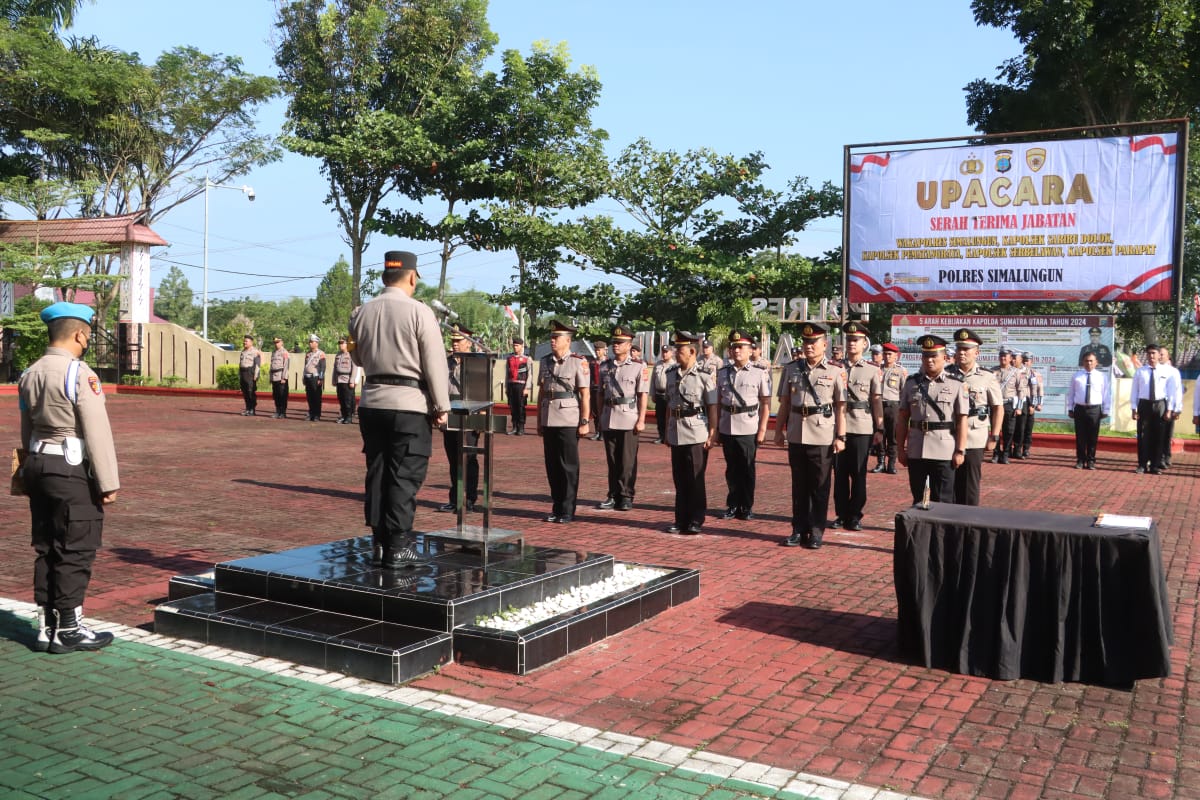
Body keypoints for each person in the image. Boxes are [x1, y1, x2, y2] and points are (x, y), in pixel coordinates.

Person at [19, 301, 118, 652]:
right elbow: (96, 431)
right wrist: (108, 482)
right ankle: (71, 627)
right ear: (80, 334)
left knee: (46, 546)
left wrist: (30, 470)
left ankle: (48, 627)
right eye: (87, 335)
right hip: (69, 467)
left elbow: (26, 429)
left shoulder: (29, 372)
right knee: (77, 546)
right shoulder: (79, 373)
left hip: (37, 465)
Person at [348, 250, 450, 568]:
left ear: (384, 276)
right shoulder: (419, 312)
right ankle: (400, 545)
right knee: (404, 475)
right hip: (409, 404)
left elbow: (359, 359)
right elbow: (434, 364)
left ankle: (379, 544)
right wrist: (441, 406)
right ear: (411, 276)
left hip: (373, 401)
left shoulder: (361, 313)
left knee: (377, 472)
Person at [774, 322, 847, 549]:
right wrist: (778, 431)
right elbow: (785, 403)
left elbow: (840, 407)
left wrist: (841, 436)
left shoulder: (836, 371)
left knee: (819, 486)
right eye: (806, 342)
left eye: (813, 343)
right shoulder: (792, 368)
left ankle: (816, 531)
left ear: (824, 345)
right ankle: (798, 529)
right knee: (799, 486)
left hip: (822, 435)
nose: (808, 346)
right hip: (797, 433)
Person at [897, 335, 969, 505]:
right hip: (917, 448)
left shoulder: (957, 384)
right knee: (918, 498)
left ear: (944, 357)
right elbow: (902, 418)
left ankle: (942, 533)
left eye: (934, 356)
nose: (929, 360)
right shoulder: (911, 383)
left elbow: (962, 420)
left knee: (943, 499)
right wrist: (900, 448)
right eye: (926, 356)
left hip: (944, 450)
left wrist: (960, 450)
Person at [714, 330, 772, 521]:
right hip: (727, 425)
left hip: (748, 426)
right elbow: (717, 402)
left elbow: (765, 403)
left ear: (750, 350)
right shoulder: (722, 372)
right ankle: (732, 505)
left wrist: (762, 430)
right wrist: (715, 430)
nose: (736, 350)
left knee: (747, 468)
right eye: (733, 347)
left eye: (740, 347)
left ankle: (746, 506)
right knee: (731, 469)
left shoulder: (759, 373)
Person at [831, 322, 883, 531]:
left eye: (856, 340)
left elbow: (876, 400)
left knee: (858, 474)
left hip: (861, 427)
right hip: (838, 427)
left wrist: (880, 428)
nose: (851, 343)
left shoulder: (872, 370)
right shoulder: (835, 367)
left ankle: (855, 515)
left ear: (864, 344)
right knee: (840, 474)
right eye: (849, 340)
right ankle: (841, 514)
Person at [664, 331, 718, 534]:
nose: (676, 352)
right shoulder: (671, 374)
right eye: (676, 349)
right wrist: (667, 431)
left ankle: (696, 519)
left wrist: (712, 433)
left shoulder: (704, 376)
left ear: (692, 351)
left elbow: (712, 406)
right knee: (679, 478)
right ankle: (680, 519)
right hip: (676, 430)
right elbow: (670, 404)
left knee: (695, 478)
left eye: (680, 349)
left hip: (696, 431)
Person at [538, 321, 591, 522]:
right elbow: (542, 391)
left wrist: (584, 421)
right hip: (549, 417)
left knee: (568, 466)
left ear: (567, 341)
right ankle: (557, 506)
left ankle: (568, 509)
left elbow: (585, 394)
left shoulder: (578, 361)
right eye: (551, 337)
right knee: (552, 465)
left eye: (556, 338)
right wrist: (539, 421)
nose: (552, 341)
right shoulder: (545, 362)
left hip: (569, 419)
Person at [596, 324, 649, 511]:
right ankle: (612, 494)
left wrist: (642, 419)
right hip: (609, 416)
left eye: (620, 342)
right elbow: (600, 394)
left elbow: (642, 395)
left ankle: (626, 495)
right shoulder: (604, 366)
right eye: (614, 342)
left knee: (627, 461)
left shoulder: (638, 366)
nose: (615, 345)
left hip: (629, 417)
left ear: (629, 345)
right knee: (612, 460)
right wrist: (600, 416)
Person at [950, 328, 1003, 505]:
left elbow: (998, 408)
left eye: (966, 349)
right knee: (949, 484)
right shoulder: (947, 373)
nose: (962, 352)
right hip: (949, 435)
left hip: (974, 436)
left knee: (969, 486)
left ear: (977, 353)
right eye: (959, 349)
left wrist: (994, 436)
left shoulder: (987, 377)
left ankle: (969, 524)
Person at [440, 323, 480, 513]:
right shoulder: (445, 362)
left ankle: (470, 498)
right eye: (453, 341)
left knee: (469, 458)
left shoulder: (477, 363)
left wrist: (480, 417)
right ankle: (455, 498)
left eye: (459, 341)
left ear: (469, 343)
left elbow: (482, 391)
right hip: (450, 411)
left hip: (471, 411)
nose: (455, 345)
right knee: (453, 458)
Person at [1130, 344, 1172, 474]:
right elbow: (1134, 391)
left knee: (1159, 436)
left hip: (1160, 405)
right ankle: (1142, 464)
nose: (1151, 356)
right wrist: (1133, 408)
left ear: (1159, 355)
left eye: (1154, 353)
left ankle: (1155, 465)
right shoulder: (1140, 371)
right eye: (1149, 353)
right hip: (1144, 405)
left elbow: (1170, 392)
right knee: (1143, 436)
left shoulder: (1166, 371)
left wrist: (1169, 409)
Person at [1067, 352, 1109, 470]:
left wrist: (1106, 409)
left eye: (1091, 361)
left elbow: (1106, 394)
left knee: (1092, 436)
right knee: (1080, 436)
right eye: (1086, 361)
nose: (1088, 363)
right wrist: (1070, 408)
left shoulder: (1102, 376)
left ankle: (1091, 460)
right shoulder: (1077, 376)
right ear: (1083, 362)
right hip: (1080, 408)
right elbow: (1071, 394)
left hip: (1095, 409)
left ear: (1096, 363)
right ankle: (1080, 460)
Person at [872, 342, 906, 474]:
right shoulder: (876, 370)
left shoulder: (899, 371)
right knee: (879, 435)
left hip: (893, 406)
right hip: (878, 406)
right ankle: (880, 463)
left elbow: (903, 392)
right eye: (885, 354)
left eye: (890, 354)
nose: (887, 357)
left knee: (893, 437)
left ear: (896, 356)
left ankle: (891, 464)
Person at [991, 348, 1024, 463]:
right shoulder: (992, 371)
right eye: (1001, 356)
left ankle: (1005, 454)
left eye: (1005, 356)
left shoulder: (1016, 372)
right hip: (995, 405)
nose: (1003, 358)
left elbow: (1021, 390)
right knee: (995, 430)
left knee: (1009, 431)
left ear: (1010, 358)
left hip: (1009, 404)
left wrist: (1019, 407)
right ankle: (996, 453)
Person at [1158, 347, 1182, 469]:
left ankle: (1166, 456)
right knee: (1158, 433)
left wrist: (1177, 409)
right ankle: (1159, 457)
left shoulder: (1173, 372)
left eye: (1163, 354)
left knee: (1167, 433)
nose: (1160, 356)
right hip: (1157, 404)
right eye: (1159, 354)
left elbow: (1177, 391)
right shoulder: (1154, 370)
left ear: (1168, 357)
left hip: (1169, 405)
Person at [504, 337, 532, 435]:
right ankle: (514, 427)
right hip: (511, 385)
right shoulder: (509, 358)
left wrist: (527, 388)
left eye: (517, 345)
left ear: (521, 346)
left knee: (520, 407)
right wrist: (506, 387)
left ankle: (521, 427)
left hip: (521, 385)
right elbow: (507, 374)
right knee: (512, 407)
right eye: (514, 345)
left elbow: (530, 374)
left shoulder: (527, 359)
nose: (515, 347)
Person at [1019, 350, 1042, 458]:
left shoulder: (1036, 374)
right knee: (1020, 427)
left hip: (1030, 402)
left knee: (1028, 427)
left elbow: (1039, 389)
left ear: (1031, 361)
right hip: (1020, 402)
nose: (1025, 363)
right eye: (1023, 360)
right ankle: (1017, 447)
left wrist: (1036, 404)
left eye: (1027, 361)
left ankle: (1026, 448)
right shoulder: (1018, 372)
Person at [331, 336, 359, 424]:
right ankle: (343, 416)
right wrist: (334, 379)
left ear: (347, 344)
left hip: (347, 380)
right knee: (341, 399)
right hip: (339, 380)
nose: (340, 345)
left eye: (342, 343)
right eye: (339, 343)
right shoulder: (338, 355)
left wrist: (352, 381)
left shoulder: (351, 354)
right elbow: (335, 368)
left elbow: (355, 368)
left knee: (348, 400)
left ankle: (349, 417)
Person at [651, 344, 675, 444]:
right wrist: (652, 393)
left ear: (672, 353)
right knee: (660, 417)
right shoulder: (658, 364)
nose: (664, 354)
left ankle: (669, 436)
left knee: (669, 417)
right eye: (663, 352)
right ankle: (661, 436)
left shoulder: (675, 365)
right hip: (659, 394)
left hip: (669, 395)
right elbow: (653, 380)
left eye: (666, 352)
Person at [302, 334, 326, 421]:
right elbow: (305, 366)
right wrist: (304, 377)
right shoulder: (308, 354)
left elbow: (323, 367)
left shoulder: (321, 354)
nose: (310, 344)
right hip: (308, 377)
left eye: (312, 342)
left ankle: (317, 415)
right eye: (310, 342)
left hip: (315, 378)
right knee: (309, 397)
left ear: (317, 343)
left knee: (316, 397)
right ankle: (311, 413)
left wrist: (321, 378)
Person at [588, 339, 608, 440]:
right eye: (596, 350)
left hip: (605, 390)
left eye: (599, 350)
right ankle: (597, 431)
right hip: (594, 389)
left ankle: (604, 432)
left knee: (604, 411)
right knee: (595, 411)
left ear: (605, 350)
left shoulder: (608, 363)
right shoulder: (592, 363)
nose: (597, 352)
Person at [237, 334, 261, 415]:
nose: (244, 342)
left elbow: (257, 365)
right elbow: (240, 364)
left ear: (251, 342)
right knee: (245, 392)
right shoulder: (243, 351)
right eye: (244, 341)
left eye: (246, 341)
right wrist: (239, 374)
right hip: (243, 373)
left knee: (250, 392)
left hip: (250, 373)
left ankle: (252, 409)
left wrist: (256, 375)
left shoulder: (255, 352)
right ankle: (247, 408)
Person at [269, 336, 290, 419]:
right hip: (274, 377)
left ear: (282, 342)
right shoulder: (274, 352)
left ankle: (283, 412)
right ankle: (277, 411)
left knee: (282, 395)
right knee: (276, 395)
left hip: (281, 377)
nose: (276, 344)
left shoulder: (284, 352)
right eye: (275, 342)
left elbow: (286, 366)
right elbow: (272, 366)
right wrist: (270, 377)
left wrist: (284, 377)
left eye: (278, 342)